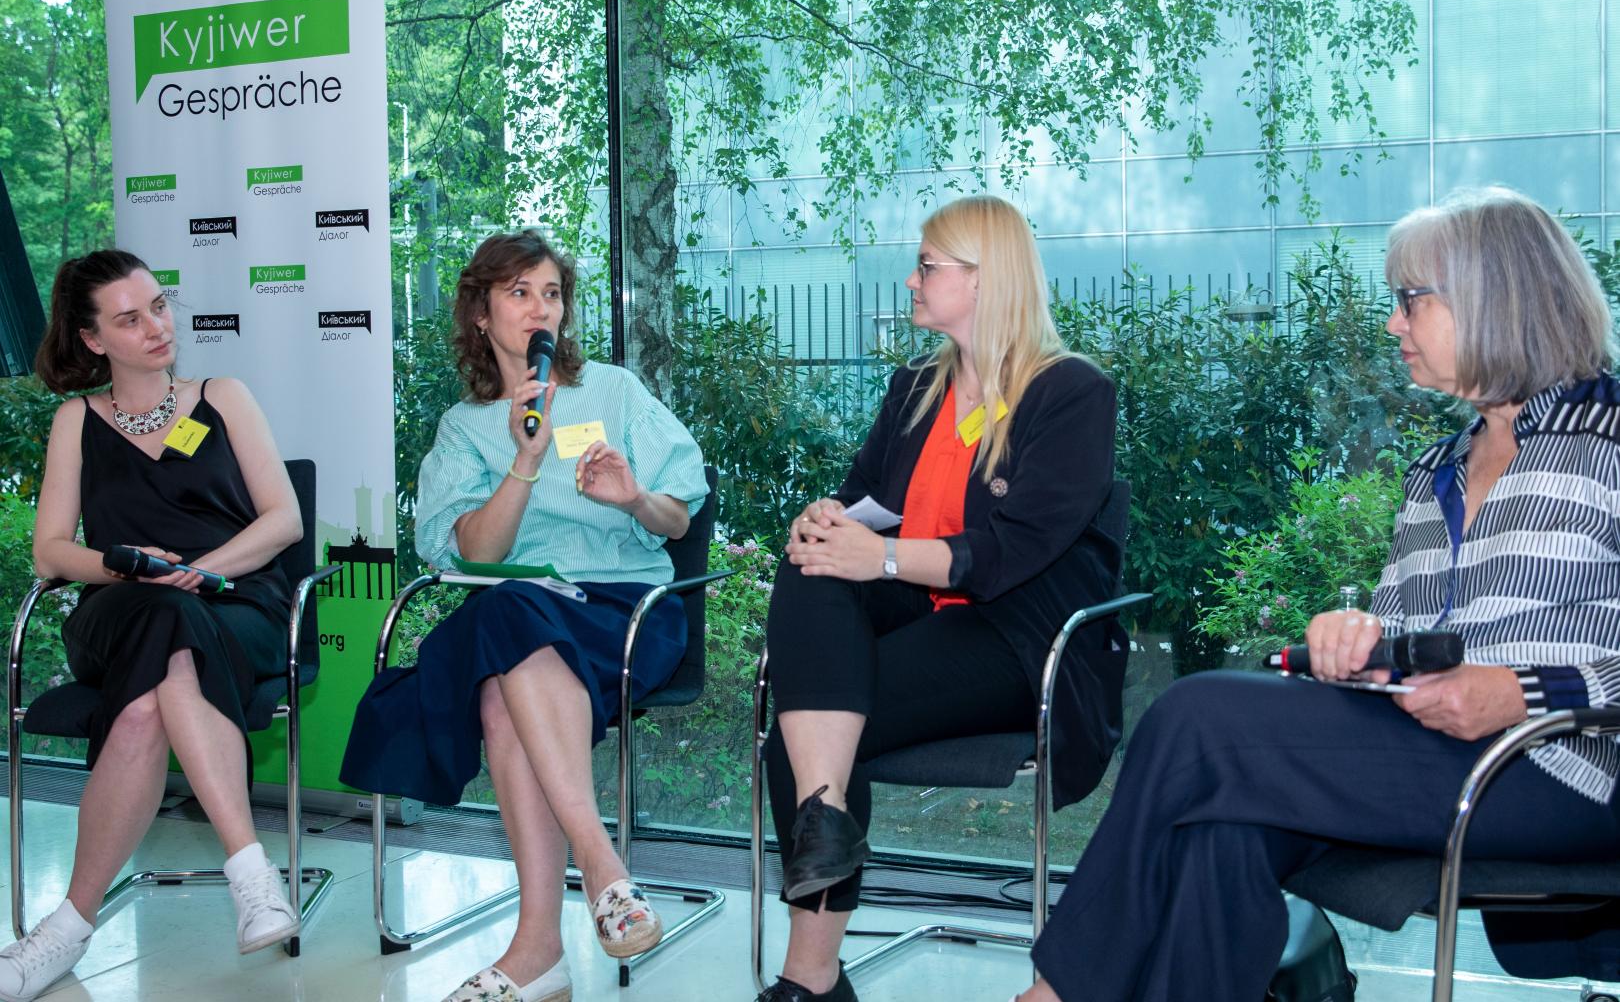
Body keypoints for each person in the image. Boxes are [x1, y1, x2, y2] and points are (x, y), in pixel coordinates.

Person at [1017, 186, 1620, 1002]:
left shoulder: (1610, 444)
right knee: (1219, 832)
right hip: (1430, 751)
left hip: (1556, 765)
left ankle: (1054, 994)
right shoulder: (1436, 469)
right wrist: (1360, 644)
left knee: (1195, 719)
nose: (1393, 324)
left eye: (1411, 300)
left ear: (1493, 295)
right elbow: (1410, 641)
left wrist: (1523, 691)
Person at [756, 195, 1126, 1002]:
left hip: (1019, 637)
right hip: (917, 612)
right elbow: (864, 499)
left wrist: (879, 554)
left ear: (984, 280)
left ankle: (809, 979)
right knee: (809, 568)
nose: (912, 280)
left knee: (807, 730)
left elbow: (1007, 554)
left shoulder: (1071, 394)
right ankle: (825, 822)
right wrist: (826, 522)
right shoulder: (917, 387)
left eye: (927, 266)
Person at [340, 230, 707, 1002]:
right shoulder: (463, 426)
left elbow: (677, 521)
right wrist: (525, 461)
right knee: (507, 620)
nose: (541, 308)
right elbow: (475, 553)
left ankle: (554, 927)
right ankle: (590, 888)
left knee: (500, 671)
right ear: (481, 313)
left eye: (552, 293)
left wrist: (634, 498)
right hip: (519, 613)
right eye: (519, 293)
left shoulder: (614, 392)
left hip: (624, 611)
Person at [0, 250, 304, 1001]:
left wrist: (200, 571)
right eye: (130, 319)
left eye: (159, 307)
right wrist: (127, 566)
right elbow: (50, 551)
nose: (157, 327)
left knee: (142, 707)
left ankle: (66, 929)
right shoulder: (76, 420)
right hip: (120, 605)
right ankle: (252, 873)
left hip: (235, 600)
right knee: (163, 616)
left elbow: (284, 521)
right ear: (93, 338)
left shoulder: (223, 397)